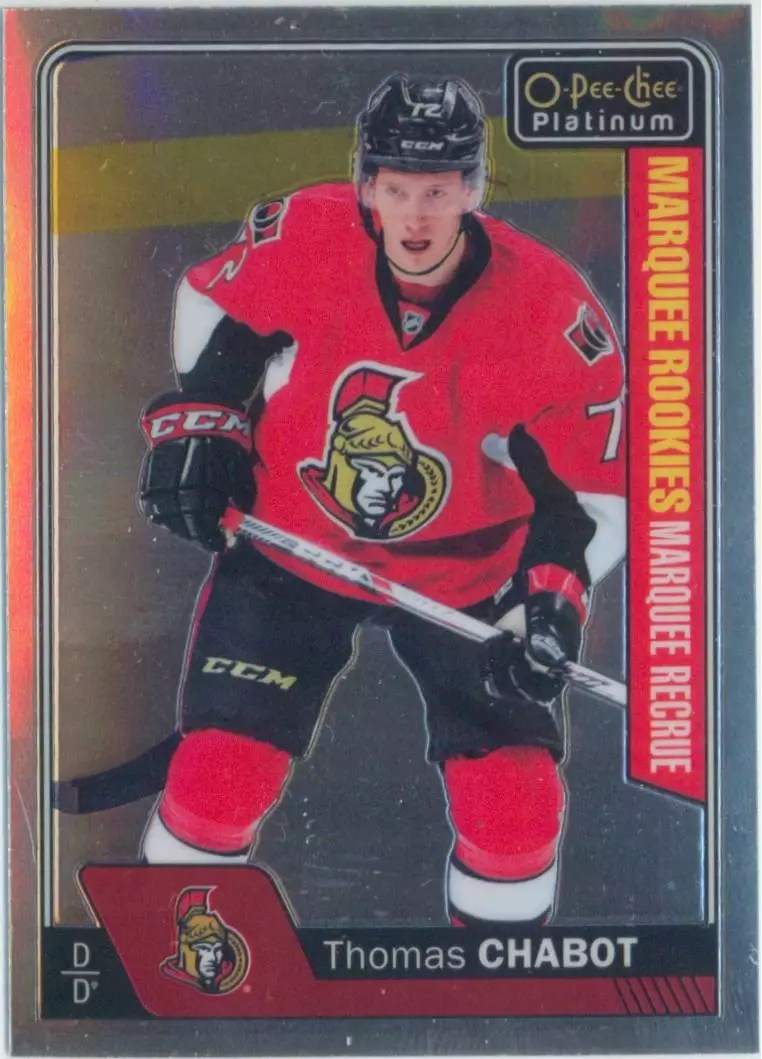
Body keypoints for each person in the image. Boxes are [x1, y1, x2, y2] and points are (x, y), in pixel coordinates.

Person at [138, 74, 626, 928]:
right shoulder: (308, 232)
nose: (415, 217)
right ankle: (173, 953)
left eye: (437, 191)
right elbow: (225, 317)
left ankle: (496, 984)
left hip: (468, 578)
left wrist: (547, 606)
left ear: (474, 188)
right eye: (396, 189)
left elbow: (582, 495)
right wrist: (205, 428)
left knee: (513, 809)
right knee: (218, 776)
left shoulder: (552, 312)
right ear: (365, 184)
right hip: (292, 542)